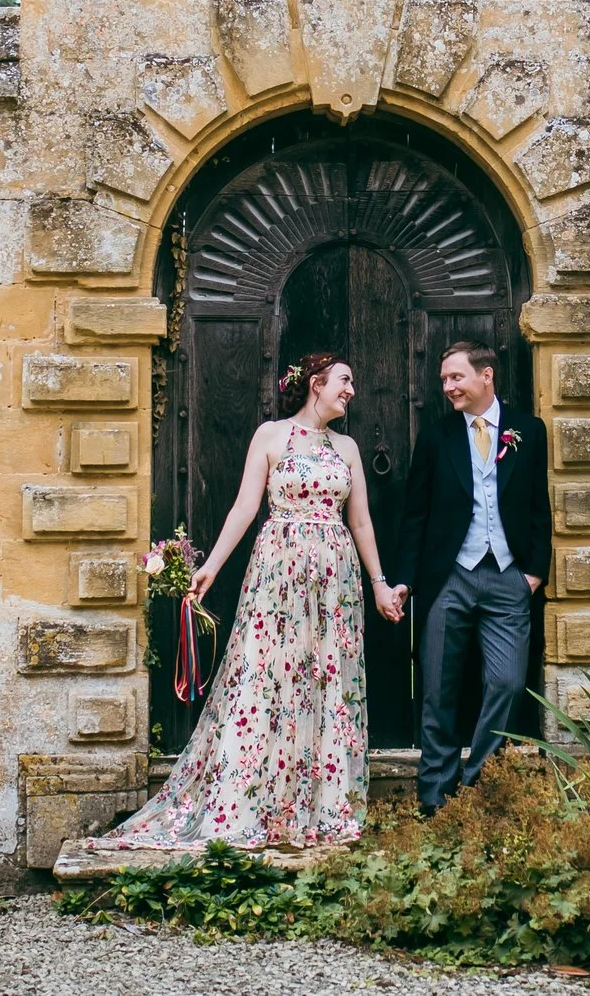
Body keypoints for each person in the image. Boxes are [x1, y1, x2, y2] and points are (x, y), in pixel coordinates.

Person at [93, 351, 406, 850]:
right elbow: (245, 506)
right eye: (344, 381)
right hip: (278, 575)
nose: (351, 390)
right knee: (268, 677)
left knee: (325, 682)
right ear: (316, 384)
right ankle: (254, 803)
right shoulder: (271, 435)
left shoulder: (346, 447)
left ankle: (324, 806)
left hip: (334, 582)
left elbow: (361, 521)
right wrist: (211, 567)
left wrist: (380, 584)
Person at [394, 341, 550, 813]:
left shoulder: (529, 430)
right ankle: (434, 801)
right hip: (450, 578)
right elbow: (415, 514)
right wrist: (407, 579)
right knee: (438, 691)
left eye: (455, 378)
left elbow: (539, 507)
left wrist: (534, 575)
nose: (447, 387)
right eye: (444, 380)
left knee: (505, 683)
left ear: (486, 376)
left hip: (508, 579)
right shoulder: (437, 436)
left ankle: (478, 787)